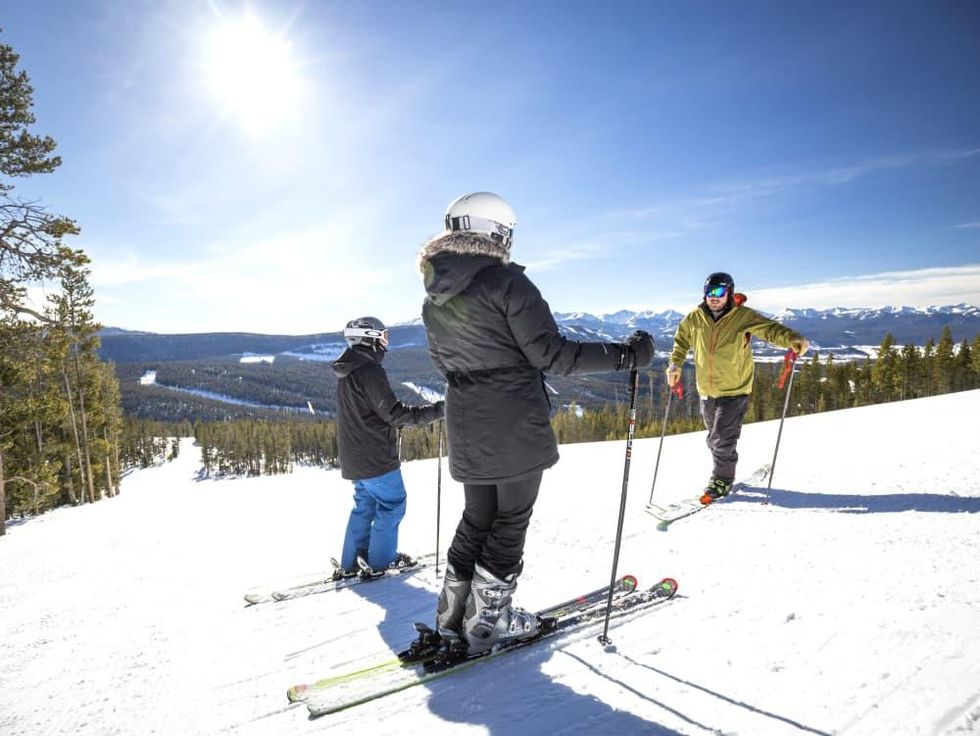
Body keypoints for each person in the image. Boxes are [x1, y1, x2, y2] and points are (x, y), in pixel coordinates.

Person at [414, 191, 653, 657]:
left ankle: (452, 618)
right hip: (512, 425)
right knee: (509, 522)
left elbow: (444, 364)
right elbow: (554, 356)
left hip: (466, 420)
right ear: (496, 232)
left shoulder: (434, 296)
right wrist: (626, 355)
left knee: (477, 518)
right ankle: (488, 623)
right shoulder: (508, 283)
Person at [666, 272, 809, 504]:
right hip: (707, 390)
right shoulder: (695, 317)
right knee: (714, 439)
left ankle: (722, 480)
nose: (714, 297)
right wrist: (675, 364)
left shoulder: (742, 316)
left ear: (729, 293)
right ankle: (725, 467)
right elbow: (681, 340)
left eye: (719, 292)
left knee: (721, 439)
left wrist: (792, 338)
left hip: (735, 389)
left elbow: (770, 329)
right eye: (710, 292)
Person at [332, 316, 444, 578]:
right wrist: (439, 410)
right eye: (383, 336)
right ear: (370, 338)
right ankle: (381, 561)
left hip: (354, 457)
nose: (385, 342)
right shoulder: (369, 371)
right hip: (376, 458)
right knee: (392, 504)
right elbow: (395, 413)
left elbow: (368, 412)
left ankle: (351, 562)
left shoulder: (348, 371)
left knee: (364, 507)